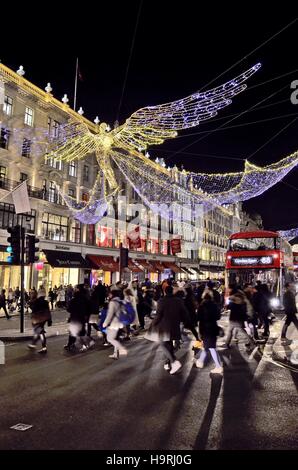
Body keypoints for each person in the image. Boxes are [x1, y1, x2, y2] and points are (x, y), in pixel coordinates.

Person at [144, 285, 190, 374]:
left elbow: (159, 315)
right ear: (172, 291)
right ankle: (169, 363)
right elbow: (184, 313)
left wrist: (153, 324)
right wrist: (185, 322)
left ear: (164, 292)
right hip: (175, 325)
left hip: (164, 326)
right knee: (168, 345)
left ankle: (174, 361)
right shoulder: (178, 301)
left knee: (163, 344)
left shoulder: (162, 301)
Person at [195, 293, 223, 373]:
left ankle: (218, 366)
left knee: (210, 347)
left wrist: (199, 332)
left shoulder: (201, 306)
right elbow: (218, 316)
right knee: (208, 346)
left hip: (205, 329)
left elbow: (198, 318)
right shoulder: (215, 305)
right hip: (213, 328)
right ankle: (200, 361)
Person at [64, 284, 92, 352]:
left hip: (75, 317)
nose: (74, 289)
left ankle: (73, 344)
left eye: (76, 288)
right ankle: (72, 344)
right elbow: (88, 308)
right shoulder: (85, 298)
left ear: (78, 289)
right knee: (81, 332)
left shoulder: (75, 299)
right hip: (82, 317)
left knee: (73, 332)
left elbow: (69, 309)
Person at [102, 288, 128, 359]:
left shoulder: (112, 302)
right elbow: (124, 312)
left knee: (109, 338)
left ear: (113, 294)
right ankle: (115, 354)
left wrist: (105, 323)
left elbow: (110, 314)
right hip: (120, 322)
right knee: (115, 338)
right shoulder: (121, 301)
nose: (109, 295)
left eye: (110, 294)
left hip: (114, 323)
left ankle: (121, 349)